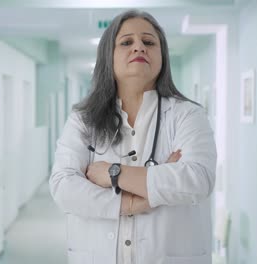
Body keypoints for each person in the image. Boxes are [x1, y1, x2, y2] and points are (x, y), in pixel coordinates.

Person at [49, 9, 217, 264]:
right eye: (126, 42)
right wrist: (130, 204)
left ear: (162, 57)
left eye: (149, 42)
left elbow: (197, 179)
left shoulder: (188, 114)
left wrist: (112, 173)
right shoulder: (83, 119)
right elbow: (63, 186)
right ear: (109, 56)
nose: (139, 47)